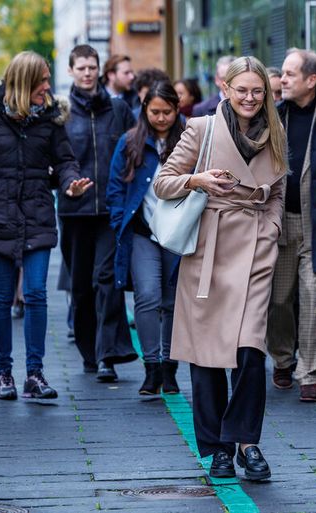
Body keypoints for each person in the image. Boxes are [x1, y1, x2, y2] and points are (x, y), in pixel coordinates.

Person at [154, 56, 287, 481]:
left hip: (256, 250)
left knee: (250, 351)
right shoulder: (200, 128)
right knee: (208, 357)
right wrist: (197, 181)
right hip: (209, 251)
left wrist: (272, 226)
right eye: (242, 89)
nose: (249, 98)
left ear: (265, 92)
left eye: (257, 90)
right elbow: (162, 182)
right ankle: (217, 449)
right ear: (225, 89)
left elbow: (279, 187)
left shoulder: (275, 131)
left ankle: (247, 442)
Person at [0, 51, 92, 400]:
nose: (48, 86)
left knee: (36, 294)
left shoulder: (49, 118)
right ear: (24, 82)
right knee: (1, 298)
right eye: (42, 80)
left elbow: (65, 160)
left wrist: (71, 182)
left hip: (37, 216)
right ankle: (4, 375)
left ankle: (35, 373)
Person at [265, 48, 316, 402]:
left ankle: (308, 372)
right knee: (278, 300)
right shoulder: (272, 116)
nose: (282, 80)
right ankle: (282, 358)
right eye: (282, 73)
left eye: (289, 74)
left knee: (314, 299)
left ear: (311, 80)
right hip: (279, 224)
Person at [59, 45, 138, 381]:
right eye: (81, 68)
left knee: (105, 279)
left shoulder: (118, 110)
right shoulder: (60, 113)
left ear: (99, 71)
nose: (87, 73)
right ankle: (88, 351)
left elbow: (137, 148)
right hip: (74, 211)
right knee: (80, 286)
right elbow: (55, 160)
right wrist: (66, 183)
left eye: (92, 67)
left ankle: (107, 355)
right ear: (72, 71)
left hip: (110, 209)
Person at [107, 82, 184, 395]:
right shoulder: (131, 141)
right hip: (142, 232)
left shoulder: (189, 139)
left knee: (173, 301)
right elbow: (114, 188)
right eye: (155, 112)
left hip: (179, 232)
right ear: (144, 109)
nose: (162, 118)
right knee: (148, 296)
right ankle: (151, 367)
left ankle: (171, 368)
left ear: (177, 110)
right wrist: (118, 222)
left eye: (167, 112)